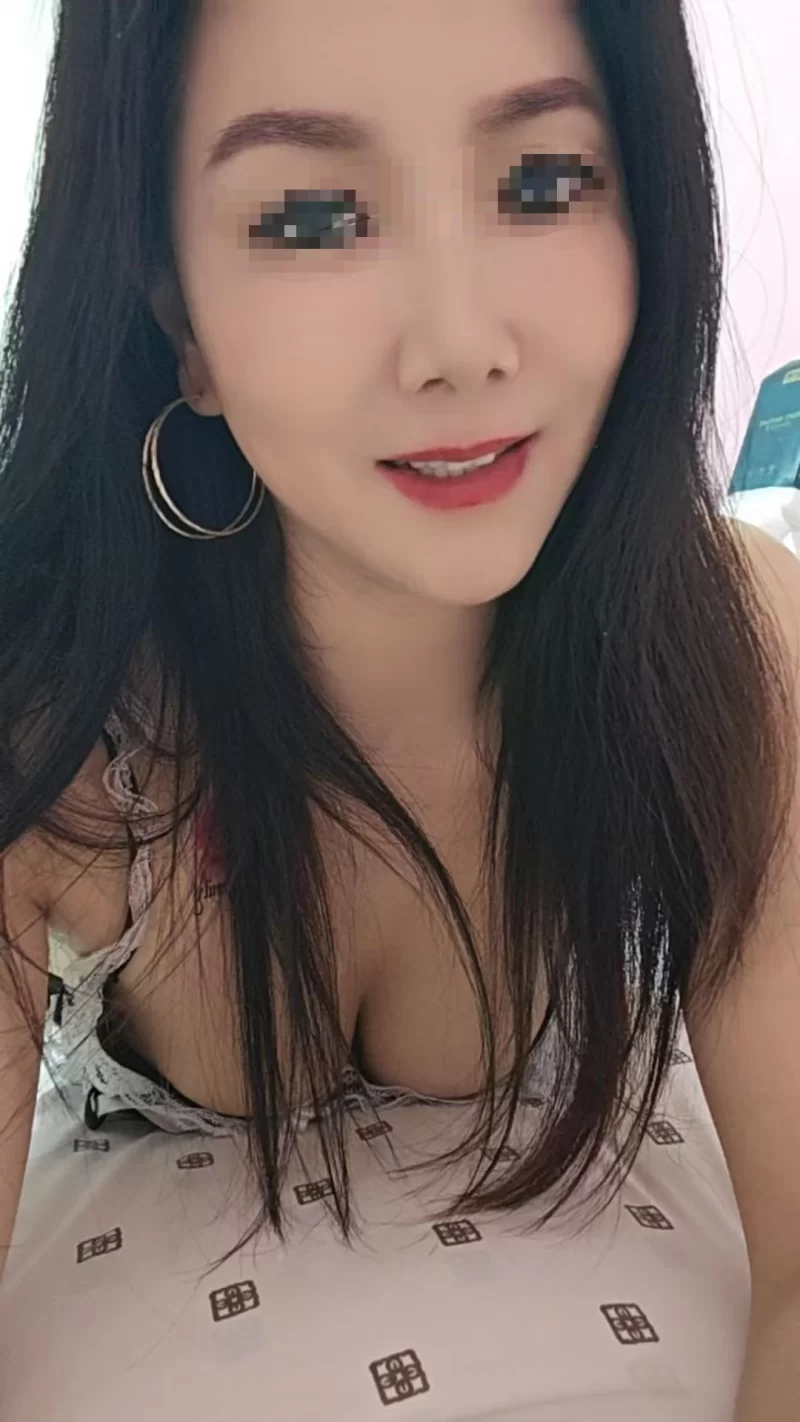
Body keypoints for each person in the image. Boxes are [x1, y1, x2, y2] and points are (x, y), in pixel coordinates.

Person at [1, 3, 800, 1416]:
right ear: (178, 316)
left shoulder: (735, 644)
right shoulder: (58, 722)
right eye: (312, 218)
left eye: (543, 183)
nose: (459, 343)